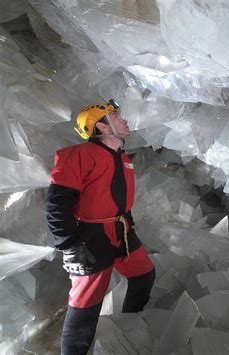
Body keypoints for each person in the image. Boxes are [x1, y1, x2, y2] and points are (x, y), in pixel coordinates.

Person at [45, 99, 155, 354]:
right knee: (85, 304)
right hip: (92, 237)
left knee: (144, 275)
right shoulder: (79, 155)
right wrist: (69, 246)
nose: (124, 120)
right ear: (102, 128)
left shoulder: (122, 157)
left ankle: (128, 327)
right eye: (115, 117)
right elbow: (56, 204)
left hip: (122, 231)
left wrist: (128, 226)